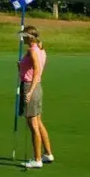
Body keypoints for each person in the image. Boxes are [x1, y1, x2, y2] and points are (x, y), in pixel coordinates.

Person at [19, 25, 53, 169]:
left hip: (31, 87)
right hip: (36, 88)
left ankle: (37, 159)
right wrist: (20, 66)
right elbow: (32, 69)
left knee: (33, 125)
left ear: (30, 37)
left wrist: (29, 92)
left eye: (24, 36)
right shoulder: (40, 49)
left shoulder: (32, 51)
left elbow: (37, 71)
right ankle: (48, 154)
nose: (22, 38)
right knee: (38, 122)